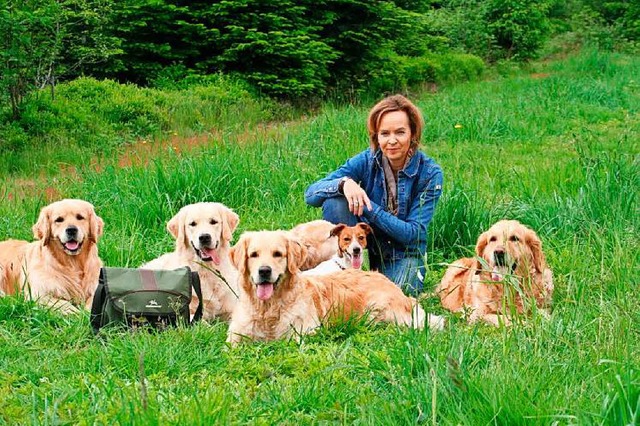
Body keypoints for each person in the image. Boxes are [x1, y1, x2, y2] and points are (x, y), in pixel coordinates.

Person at [304, 94, 443, 293]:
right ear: (376, 137)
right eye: (384, 133)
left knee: (397, 293)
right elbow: (311, 195)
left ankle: (359, 280)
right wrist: (344, 183)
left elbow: (413, 233)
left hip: (403, 253)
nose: (392, 140)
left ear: (413, 134)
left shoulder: (430, 173)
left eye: (400, 132)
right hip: (363, 245)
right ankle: (348, 270)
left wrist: (368, 207)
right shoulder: (367, 159)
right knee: (335, 200)